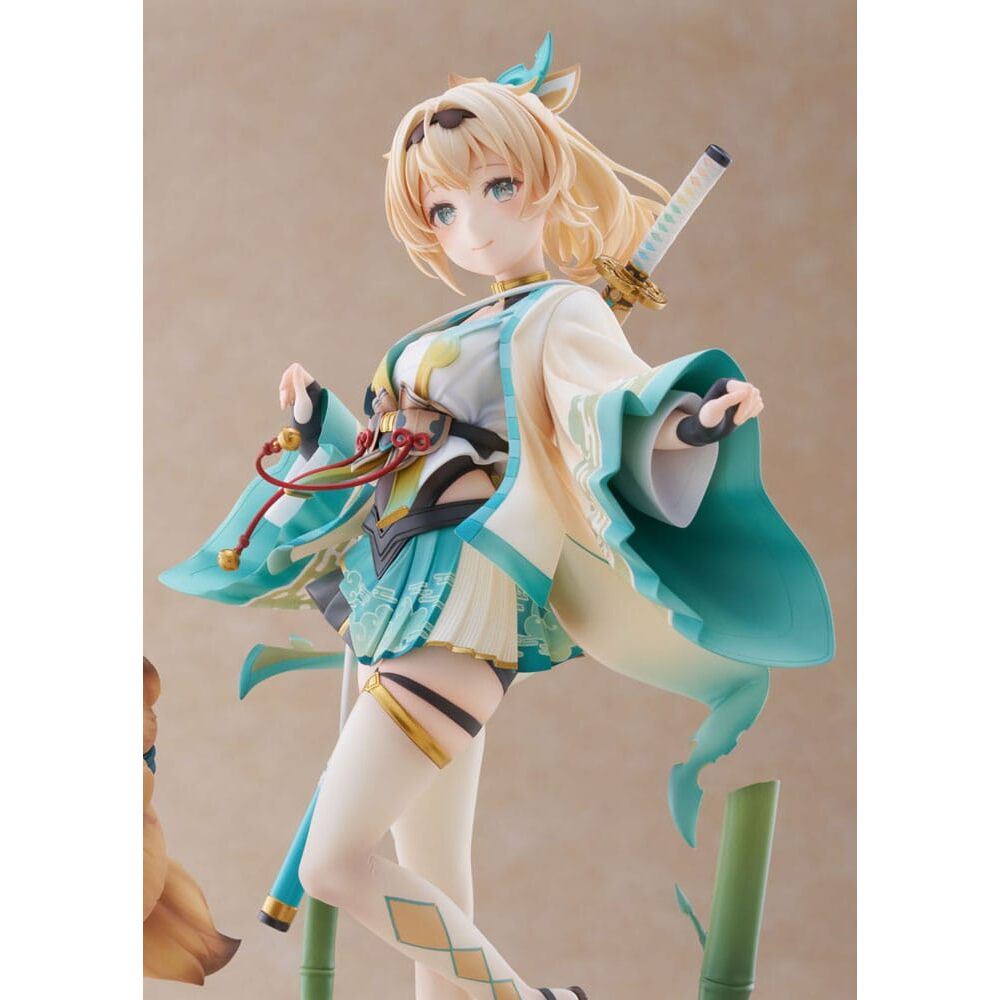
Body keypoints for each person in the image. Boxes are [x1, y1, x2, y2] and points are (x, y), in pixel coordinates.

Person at [161, 36, 833, 1000]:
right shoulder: (443, 333)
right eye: (443, 209)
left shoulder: (564, 314)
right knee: (436, 875)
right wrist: (323, 424)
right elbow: (389, 457)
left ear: (545, 183)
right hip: (391, 595)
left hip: (462, 604)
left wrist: (691, 421)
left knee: (335, 865)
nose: (470, 225)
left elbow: (611, 411)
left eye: (496, 188)